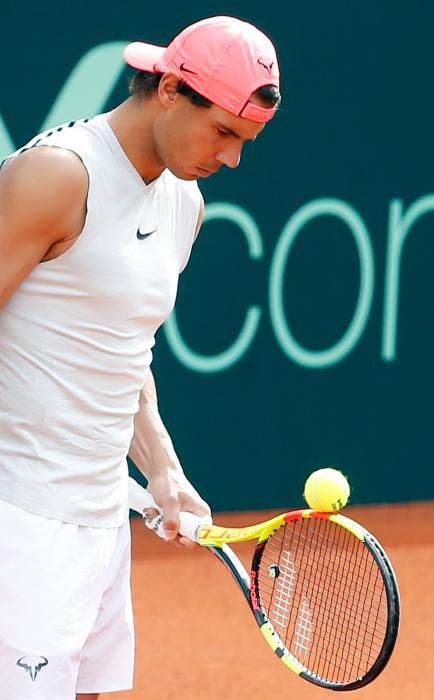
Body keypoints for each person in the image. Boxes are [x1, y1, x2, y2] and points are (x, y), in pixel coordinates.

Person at [0, 14, 281, 700]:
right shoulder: (57, 177)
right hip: (22, 516)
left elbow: (122, 351)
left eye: (245, 142)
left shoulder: (186, 204)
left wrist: (164, 472)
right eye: (223, 131)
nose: (232, 157)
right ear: (169, 90)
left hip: (100, 522)